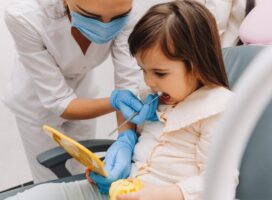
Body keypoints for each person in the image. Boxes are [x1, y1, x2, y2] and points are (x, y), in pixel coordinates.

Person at [4, 1, 238, 200]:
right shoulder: (156, 99)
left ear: (197, 64)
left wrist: (163, 193)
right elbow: (61, 103)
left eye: (160, 73)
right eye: (143, 71)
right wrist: (117, 157)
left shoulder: (215, 109)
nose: (148, 83)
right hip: (122, 188)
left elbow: (221, 181)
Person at [3, 0, 157, 183]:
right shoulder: (23, 17)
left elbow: (127, 83)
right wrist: (114, 101)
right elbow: (59, 101)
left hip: (84, 92)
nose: (105, 26)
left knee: (85, 173)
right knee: (49, 181)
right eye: (91, 16)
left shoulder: (127, 11)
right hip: (35, 102)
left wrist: (126, 139)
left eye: (117, 18)